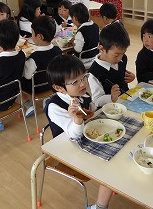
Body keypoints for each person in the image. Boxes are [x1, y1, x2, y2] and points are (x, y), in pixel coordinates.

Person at [44, 54, 112, 209]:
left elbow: (92, 108)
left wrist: (92, 110)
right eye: (76, 81)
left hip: (86, 139)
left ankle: (109, 189)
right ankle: (100, 206)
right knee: (110, 164)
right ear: (58, 87)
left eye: (84, 77)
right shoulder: (54, 106)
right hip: (67, 149)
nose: (83, 83)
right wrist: (77, 120)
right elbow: (74, 135)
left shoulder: (80, 94)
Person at [21, 16, 62, 117]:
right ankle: (47, 98)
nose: (32, 36)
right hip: (53, 84)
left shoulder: (34, 57)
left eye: (32, 33)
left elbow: (27, 76)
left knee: (16, 79)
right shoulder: (58, 50)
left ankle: (28, 104)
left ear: (39, 37)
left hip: (37, 88)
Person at [88, 21, 135, 107]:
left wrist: (130, 77)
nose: (120, 58)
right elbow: (97, 100)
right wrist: (111, 98)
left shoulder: (122, 58)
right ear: (102, 49)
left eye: (123, 53)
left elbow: (118, 75)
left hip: (126, 101)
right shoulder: (94, 73)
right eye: (116, 55)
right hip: (110, 109)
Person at [70, 2, 99, 69]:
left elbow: (77, 49)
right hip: (94, 57)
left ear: (75, 18)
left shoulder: (81, 31)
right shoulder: (95, 26)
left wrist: (73, 42)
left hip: (83, 61)